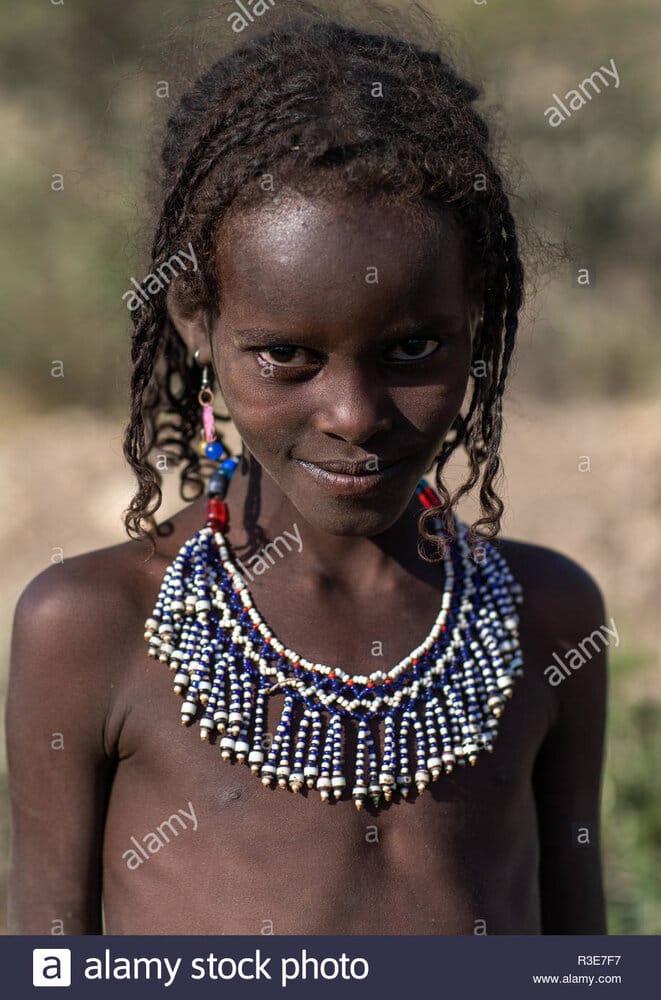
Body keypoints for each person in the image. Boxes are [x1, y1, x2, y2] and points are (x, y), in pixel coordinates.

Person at [6, 6, 608, 935]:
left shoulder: (545, 617)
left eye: (412, 349)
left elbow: (581, 968)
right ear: (196, 321)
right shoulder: (90, 628)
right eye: (286, 354)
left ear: (477, 319)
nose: (353, 416)